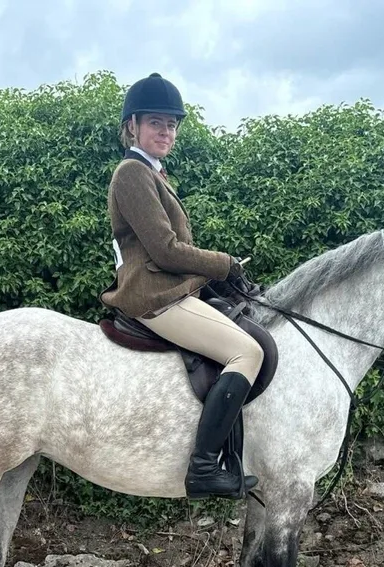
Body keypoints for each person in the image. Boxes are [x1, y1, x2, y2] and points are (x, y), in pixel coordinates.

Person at [100, 73, 264, 499]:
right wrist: (223, 265)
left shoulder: (155, 174)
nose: (167, 131)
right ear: (132, 125)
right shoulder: (132, 173)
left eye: (172, 124)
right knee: (247, 351)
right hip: (152, 295)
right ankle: (204, 467)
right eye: (157, 122)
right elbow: (167, 250)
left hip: (171, 288)